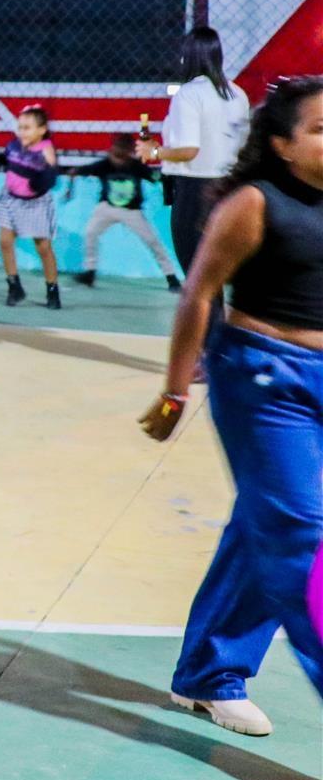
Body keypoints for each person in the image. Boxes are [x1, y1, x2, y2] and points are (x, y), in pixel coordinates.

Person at [142, 76, 323, 733]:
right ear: (282, 144)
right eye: (320, 129)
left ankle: (209, 673)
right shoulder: (254, 202)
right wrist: (174, 391)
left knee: (263, 524)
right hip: (266, 380)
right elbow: (199, 293)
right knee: (302, 537)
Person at [146, 28, 253, 318]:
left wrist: (155, 152)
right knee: (216, 274)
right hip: (229, 187)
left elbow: (188, 150)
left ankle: (208, 341)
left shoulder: (189, 94)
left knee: (197, 278)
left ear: (188, 56)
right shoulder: (237, 93)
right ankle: (221, 337)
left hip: (195, 190)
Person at [71, 132, 179, 291]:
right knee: (90, 233)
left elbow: (156, 177)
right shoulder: (105, 164)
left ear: (129, 151)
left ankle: (171, 277)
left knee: (152, 241)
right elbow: (84, 170)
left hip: (131, 211)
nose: (118, 157)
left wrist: (167, 181)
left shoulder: (136, 166)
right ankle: (90, 272)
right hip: (107, 207)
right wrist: (74, 173)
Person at [0, 105, 61, 308]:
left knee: (43, 247)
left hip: (35, 205)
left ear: (42, 130)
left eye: (27, 128)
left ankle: (52, 290)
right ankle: (14, 286)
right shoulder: (13, 145)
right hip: (10, 200)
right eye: (20, 127)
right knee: (4, 241)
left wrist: (45, 176)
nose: (22, 132)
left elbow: (51, 177)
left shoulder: (46, 150)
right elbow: (9, 161)